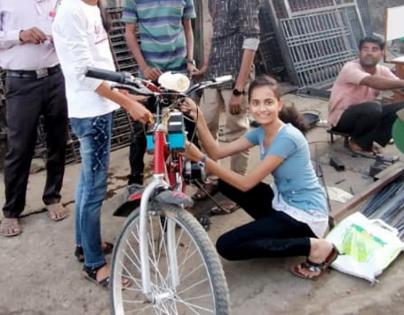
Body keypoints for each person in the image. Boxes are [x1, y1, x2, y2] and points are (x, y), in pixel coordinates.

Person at [182, 76, 338, 280]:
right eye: (256, 103)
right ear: (249, 106)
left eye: (268, 102)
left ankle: (317, 247)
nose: (262, 109)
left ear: (279, 104)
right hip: (282, 202)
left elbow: (246, 184)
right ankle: (274, 229)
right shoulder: (260, 133)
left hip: (305, 214)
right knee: (225, 184)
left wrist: (200, 158)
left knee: (227, 246)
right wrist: (198, 115)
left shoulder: (288, 137)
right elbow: (218, 151)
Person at [52, 0, 153, 287]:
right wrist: (128, 104)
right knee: (95, 191)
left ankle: (84, 246)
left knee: (87, 182)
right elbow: (84, 73)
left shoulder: (93, 7)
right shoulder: (71, 10)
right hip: (90, 112)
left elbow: (101, 66)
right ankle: (94, 265)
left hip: (100, 108)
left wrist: (129, 93)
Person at [0, 0, 69, 237]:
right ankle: (11, 210)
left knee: (58, 141)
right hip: (21, 81)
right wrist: (19, 35)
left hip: (56, 76)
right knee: (19, 148)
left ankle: (53, 196)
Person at [122, 0, 197, 192]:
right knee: (144, 126)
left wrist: (190, 60)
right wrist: (144, 67)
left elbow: (188, 28)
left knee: (187, 123)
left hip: (179, 72)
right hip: (151, 74)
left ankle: (190, 173)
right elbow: (129, 33)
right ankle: (136, 180)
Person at [190, 0, 260, 206]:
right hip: (214, 75)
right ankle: (213, 178)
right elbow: (218, 37)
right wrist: (205, 67)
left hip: (235, 77)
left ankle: (237, 188)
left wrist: (239, 88)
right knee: (204, 125)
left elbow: (252, 40)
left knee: (237, 133)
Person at [328, 36, 404, 155]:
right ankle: (357, 142)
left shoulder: (382, 70)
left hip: (367, 116)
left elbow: (399, 87)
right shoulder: (350, 68)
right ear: (359, 52)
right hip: (341, 120)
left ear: (382, 53)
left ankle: (373, 141)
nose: (369, 53)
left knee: (401, 108)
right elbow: (374, 81)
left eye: (374, 49)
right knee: (373, 107)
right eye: (365, 49)